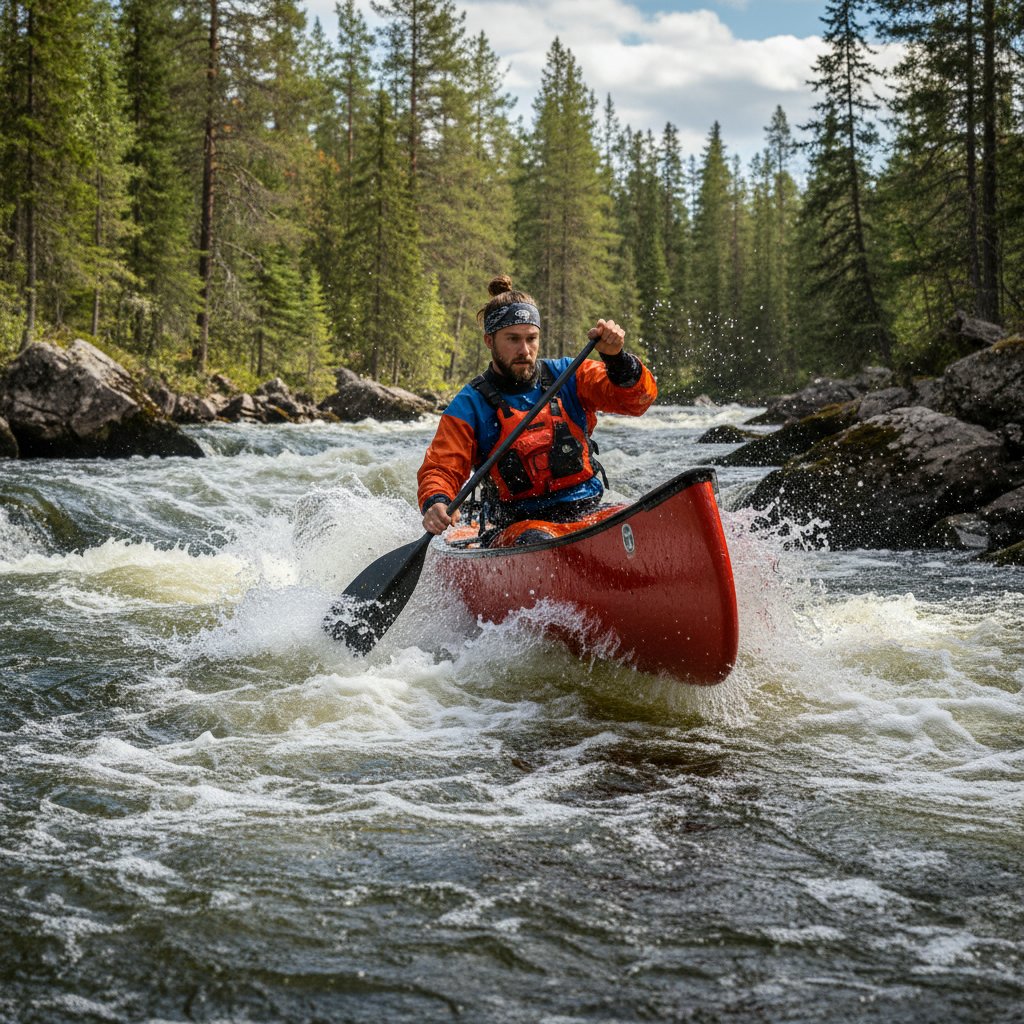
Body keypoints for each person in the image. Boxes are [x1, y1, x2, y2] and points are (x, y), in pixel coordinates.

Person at [417, 275, 657, 540]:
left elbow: (637, 402)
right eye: (512, 339)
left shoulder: (569, 375)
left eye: (531, 338)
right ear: (489, 341)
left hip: (587, 512)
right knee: (539, 538)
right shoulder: (470, 404)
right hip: (519, 528)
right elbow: (441, 466)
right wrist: (436, 500)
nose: (524, 350)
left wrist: (617, 359)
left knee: (644, 520)